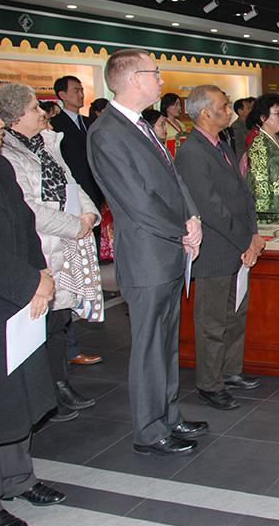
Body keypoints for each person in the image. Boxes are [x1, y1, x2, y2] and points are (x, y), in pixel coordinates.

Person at [87, 48, 207, 456]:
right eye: (155, 73)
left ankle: (169, 415)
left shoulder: (139, 125)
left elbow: (173, 180)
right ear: (133, 79)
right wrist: (181, 231)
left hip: (168, 249)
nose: (161, 80)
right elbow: (137, 200)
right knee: (148, 346)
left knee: (167, 341)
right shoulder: (107, 133)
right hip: (147, 254)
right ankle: (148, 429)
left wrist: (192, 218)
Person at [0, 82, 103, 424]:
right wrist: (75, 225)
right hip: (40, 247)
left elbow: (72, 182)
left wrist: (88, 214)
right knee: (38, 328)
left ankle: (60, 383)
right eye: (33, 109)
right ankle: (44, 394)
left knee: (59, 322)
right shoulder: (6, 156)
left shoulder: (48, 143)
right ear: (13, 119)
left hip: (66, 247)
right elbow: (30, 210)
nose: (42, 113)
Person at [0, 90, 66, 526]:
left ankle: (19, 477)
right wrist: (29, 282)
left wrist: (41, 272)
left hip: (19, 298)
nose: (0, 124)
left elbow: (24, 223)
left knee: (16, 396)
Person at [175, 85, 265, 410]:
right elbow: (211, 209)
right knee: (212, 322)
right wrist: (247, 241)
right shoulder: (191, 152)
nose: (230, 111)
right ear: (205, 113)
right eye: (224, 107)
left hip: (239, 246)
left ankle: (230, 371)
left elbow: (243, 195)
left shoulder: (221, 144)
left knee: (236, 313)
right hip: (215, 251)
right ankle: (210, 384)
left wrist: (253, 236)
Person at [49, 75, 103, 368]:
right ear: (61, 94)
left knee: (85, 272)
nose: (81, 94)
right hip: (68, 214)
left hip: (88, 206)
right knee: (67, 278)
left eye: (83, 89)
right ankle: (67, 347)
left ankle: (72, 338)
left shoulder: (87, 123)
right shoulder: (57, 126)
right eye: (75, 90)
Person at [245, 94, 279, 215]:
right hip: (273, 210)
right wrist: (265, 216)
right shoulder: (259, 145)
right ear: (263, 118)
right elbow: (259, 185)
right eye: (277, 114)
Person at [227, 96, 254, 163]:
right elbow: (238, 150)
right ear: (240, 111)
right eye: (248, 108)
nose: (251, 110)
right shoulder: (236, 127)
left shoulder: (251, 124)